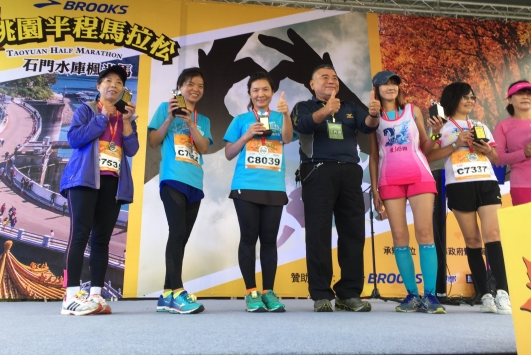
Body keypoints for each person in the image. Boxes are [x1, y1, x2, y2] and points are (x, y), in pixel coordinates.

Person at [291, 64, 380, 312]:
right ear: (312, 84)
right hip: (317, 171)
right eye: (324, 77)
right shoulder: (303, 106)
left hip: (350, 172)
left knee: (353, 232)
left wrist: (373, 114)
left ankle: (348, 293)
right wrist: (326, 110)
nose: (331, 80)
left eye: (334, 77)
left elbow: (368, 126)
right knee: (318, 233)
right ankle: (321, 294)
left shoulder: (350, 107)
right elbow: (302, 125)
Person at [59, 64, 139, 316]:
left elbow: (132, 149)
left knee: (102, 239)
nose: (113, 85)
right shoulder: (87, 110)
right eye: (108, 81)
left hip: (112, 183)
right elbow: (75, 139)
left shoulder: (125, 117)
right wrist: (103, 117)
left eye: (119, 82)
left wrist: (127, 122)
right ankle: (70, 296)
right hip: (84, 180)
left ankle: (96, 295)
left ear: (123, 89)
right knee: (80, 235)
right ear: (98, 86)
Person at [426, 82, 511, 314]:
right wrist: (456, 144)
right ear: (453, 99)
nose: (470, 100)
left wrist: (486, 150)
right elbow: (428, 155)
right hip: (458, 185)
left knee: (493, 235)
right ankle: (485, 295)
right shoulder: (441, 127)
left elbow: (496, 157)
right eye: (466, 97)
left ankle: (503, 292)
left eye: (472, 97)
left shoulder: (480, 125)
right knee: (472, 240)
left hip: (486, 182)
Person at [368, 71, 445, 313]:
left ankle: (430, 295)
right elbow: (373, 157)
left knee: (425, 233)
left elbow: (426, 146)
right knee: (399, 237)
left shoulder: (413, 110)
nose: (390, 87)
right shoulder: (373, 117)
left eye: (394, 83)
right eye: (385, 84)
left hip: (419, 176)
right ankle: (412, 294)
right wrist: (375, 190)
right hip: (389, 180)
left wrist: (436, 133)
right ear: (376, 89)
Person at [223, 72, 294, 313]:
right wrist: (247, 134)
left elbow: (287, 138)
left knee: (269, 241)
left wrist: (286, 114)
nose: (260, 94)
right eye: (255, 90)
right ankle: (251, 292)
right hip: (245, 185)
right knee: (248, 238)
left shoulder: (280, 117)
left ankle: (268, 292)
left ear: (272, 92)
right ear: (249, 93)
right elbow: (229, 153)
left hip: (273, 186)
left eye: (265, 89)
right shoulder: (241, 120)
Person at [148, 67, 212, 314]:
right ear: (180, 88)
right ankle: (178, 292)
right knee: (177, 232)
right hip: (172, 178)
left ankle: (166, 296)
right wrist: (169, 119)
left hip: (195, 182)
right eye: (190, 84)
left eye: (200, 86)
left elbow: (204, 148)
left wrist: (190, 124)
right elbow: (153, 142)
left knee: (181, 238)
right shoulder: (165, 109)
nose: (195, 89)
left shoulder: (203, 120)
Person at [493, 80, 531, 206]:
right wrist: (524, 153)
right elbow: (498, 159)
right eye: (520, 93)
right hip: (523, 185)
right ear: (510, 99)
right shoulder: (503, 126)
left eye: (529, 93)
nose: (525, 97)